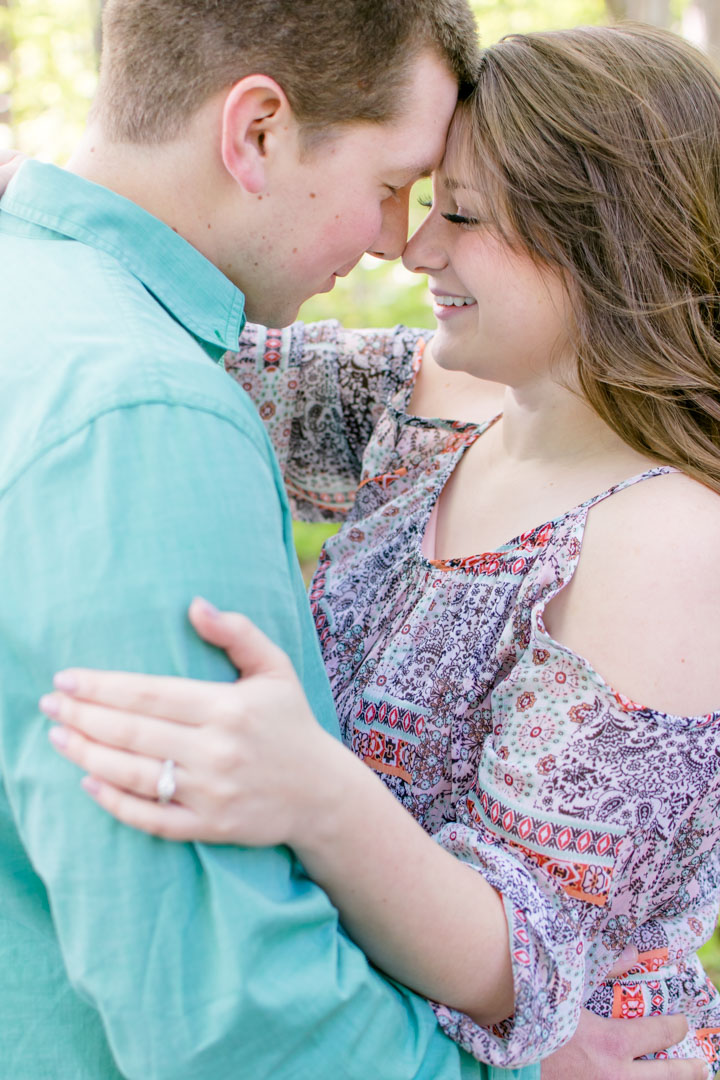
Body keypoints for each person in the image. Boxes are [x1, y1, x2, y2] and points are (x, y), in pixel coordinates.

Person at [37, 21, 720, 1079]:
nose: (415, 248)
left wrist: (316, 792)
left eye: (461, 215)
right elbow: (164, 324)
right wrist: (40, 214)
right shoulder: (432, 398)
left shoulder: (666, 542)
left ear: (605, 244)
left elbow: (522, 965)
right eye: (421, 198)